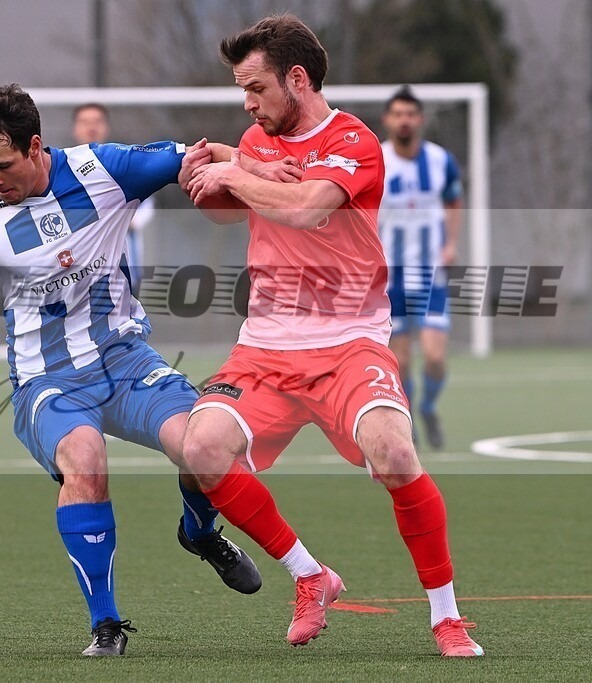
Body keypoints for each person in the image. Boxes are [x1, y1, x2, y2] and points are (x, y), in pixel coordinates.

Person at [0, 84, 260, 657]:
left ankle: (197, 531)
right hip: (46, 381)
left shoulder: (107, 170)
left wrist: (269, 175)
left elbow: (199, 157)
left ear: (35, 145)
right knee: (86, 459)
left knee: (207, 445)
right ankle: (107, 625)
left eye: (2, 164)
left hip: (124, 358)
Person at [180, 15, 483, 657]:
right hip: (264, 343)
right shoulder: (256, 140)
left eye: (256, 88)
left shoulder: (355, 140)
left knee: (395, 455)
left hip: (348, 339)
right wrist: (208, 176)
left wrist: (238, 173)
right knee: (201, 450)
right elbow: (228, 205)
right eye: (243, 90)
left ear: (297, 79)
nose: (248, 102)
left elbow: (311, 205)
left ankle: (446, 616)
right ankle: (310, 575)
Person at [378, 86, 464, 449]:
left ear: (420, 119)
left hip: (430, 274)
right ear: (388, 120)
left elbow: (454, 201)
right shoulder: (376, 159)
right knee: (400, 361)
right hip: (390, 277)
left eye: (410, 114)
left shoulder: (440, 160)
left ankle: (428, 406)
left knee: (435, 355)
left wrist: (450, 244)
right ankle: (409, 417)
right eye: (398, 114)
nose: (404, 120)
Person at [72, 103, 154, 294]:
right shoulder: (60, 168)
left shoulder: (124, 162)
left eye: (97, 122)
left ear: (106, 127)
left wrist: (123, 216)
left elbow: (146, 207)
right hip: (76, 274)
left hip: (123, 271)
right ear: (75, 128)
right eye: (85, 122)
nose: (91, 128)